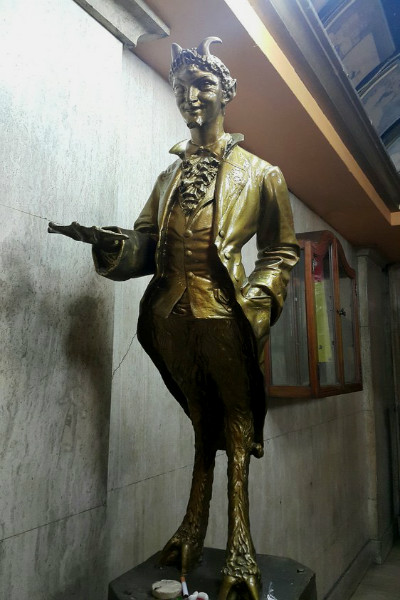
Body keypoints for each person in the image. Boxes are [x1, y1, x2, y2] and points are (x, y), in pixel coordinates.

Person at [49, 37, 299, 600]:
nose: (191, 97)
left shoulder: (263, 174)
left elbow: (282, 250)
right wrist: (112, 244)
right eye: (182, 88)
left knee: (237, 426)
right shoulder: (166, 180)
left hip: (224, 314)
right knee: (201, 420)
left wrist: (258, 305)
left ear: (226, 93)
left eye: (203, 85)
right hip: (169, 317)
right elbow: (146, 245)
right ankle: (192, 528)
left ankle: (240, 545)